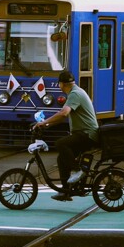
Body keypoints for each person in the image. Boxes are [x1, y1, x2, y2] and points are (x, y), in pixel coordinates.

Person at [31, 69, 99, 202]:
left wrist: (44, 121)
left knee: (61, 143)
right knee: (62, 159)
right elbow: (62, 117)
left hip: (87, 134)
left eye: (59, 84)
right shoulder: (76, 92)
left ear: (61, 84)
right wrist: (47, 125)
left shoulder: (75, 94)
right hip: (84, 133)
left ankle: (77, 170)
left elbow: (63, 113)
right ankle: (66, 191)